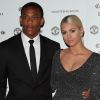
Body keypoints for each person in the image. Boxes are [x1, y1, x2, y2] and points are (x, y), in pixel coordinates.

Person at [0, 2, 60, 100]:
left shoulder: (53, 47)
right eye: (26, 17)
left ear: (41, 21)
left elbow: (61, 77)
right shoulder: (5, 47)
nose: (30, 21)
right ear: (20, 20)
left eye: (35, 18)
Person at [50, 15, 100, 100]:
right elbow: (52, 85)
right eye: (64, 32)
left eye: (72, 31)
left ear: (81, 31)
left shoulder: (95, 59)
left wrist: (91, 94)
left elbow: (96, 92)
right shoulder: (57, 55)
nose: (68, 36)